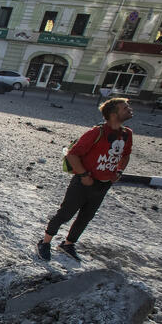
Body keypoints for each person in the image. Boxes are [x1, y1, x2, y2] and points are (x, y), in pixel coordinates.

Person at [37, 97, 134, 262]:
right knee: (65, 214)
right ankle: (45, 242)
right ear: (112, 114)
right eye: (124, 108)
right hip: (83, 182)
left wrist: (118, 172)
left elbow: (125, 155)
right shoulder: (96, 133)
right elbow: (72, 154)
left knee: (86, 217)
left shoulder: (127, 134)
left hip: (103, 184)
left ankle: (68, 244)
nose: (129, 109)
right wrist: (83, 175)